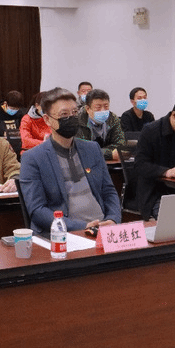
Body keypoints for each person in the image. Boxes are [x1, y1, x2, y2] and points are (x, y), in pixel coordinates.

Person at [20, 87, 121, 237]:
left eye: (74, 112)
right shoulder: (33, 158)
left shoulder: (92, 148)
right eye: (64, 114)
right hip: (64, 233)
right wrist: (82, 226)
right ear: (47, 119)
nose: (72, 118)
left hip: (101, 227)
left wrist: (112, 219)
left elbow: (108, 191)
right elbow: (37, 210)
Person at [76, 89, 125, 160]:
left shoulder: (113, 119)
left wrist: (98, 152)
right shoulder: (78, 121)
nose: (103, 110)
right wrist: (109, 154)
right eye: (98, 107)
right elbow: (83, 150)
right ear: (88, 109)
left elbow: (120, 144)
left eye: (106, 106)